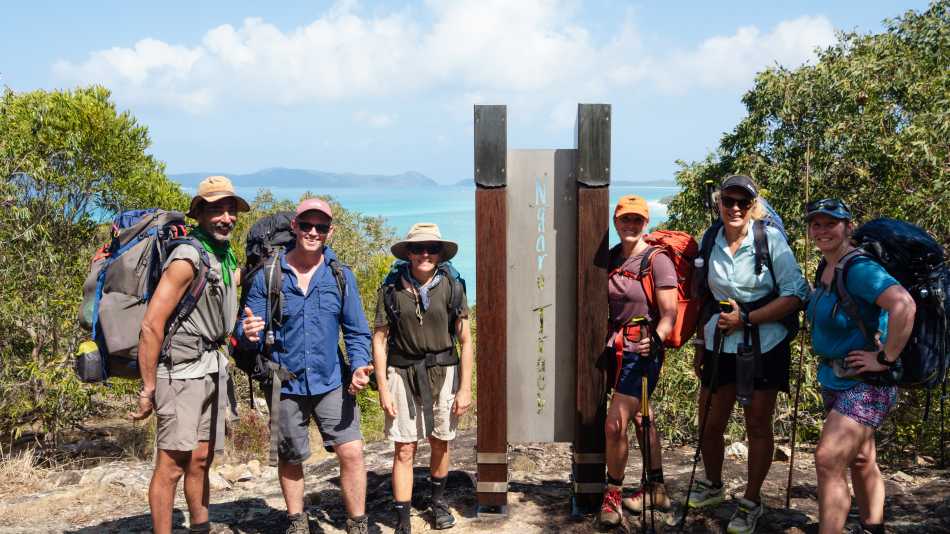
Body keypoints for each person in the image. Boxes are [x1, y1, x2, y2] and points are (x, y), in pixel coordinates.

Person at [238, 198, 374, 534]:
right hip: (285, 383)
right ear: (295, 227)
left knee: (352, 451)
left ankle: (357, 523)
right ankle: (297, 521)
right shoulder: (268, 275)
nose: (314, 232)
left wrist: (360, 365)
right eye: (307, 225)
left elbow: (356, 331)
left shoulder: (340, 276)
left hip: (331, 381)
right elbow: (245, 331)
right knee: (290, 456)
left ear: (330, 231)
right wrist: (247, 332)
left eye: (321, 227)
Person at [687, 175, 809, 534]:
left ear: (753, 205)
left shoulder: (769, 240)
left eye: (743, 202)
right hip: (719, 341)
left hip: (765, 343)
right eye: (729, 201)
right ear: (719, 203)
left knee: (756, 423)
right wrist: (700, 344)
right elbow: (704, 297)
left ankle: (751, 501)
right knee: (710, 421)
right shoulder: (711, 238)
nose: (735, 208)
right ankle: (713, 484)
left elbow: (796, 293)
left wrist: (748, 319)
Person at [130, 176, 249, 534]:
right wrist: (148, 389)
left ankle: (201, 527)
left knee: (200, 459)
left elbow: (226, 289)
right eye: (217, 210)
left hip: (211, 368)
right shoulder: (187, 258)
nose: (226, 217)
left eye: (230, 209)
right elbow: (151, 325)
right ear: (199, 214)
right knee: (170, 466)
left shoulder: (222, 256)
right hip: (180, 373)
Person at [804, 199, 915, 534]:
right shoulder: (827, 266)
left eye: (831, 223)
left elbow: (903, 305)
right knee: (862, 458)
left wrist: (884, 359)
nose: (822, 230)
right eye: (816, 224)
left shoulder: (859, 269)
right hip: (837, 376)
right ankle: (873, 527)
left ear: (848, 227)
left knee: (828, 459)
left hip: (867, 381)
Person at [372, 223, 474, 534]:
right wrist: (382, 389)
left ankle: (438, 504)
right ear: (409, 253)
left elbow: (465, 340)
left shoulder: (453, 287)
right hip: (402, 374)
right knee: (404, 448)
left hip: (444, 371)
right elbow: (379, 339)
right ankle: (403, 520)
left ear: (441, 253)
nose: (425, 254)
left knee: (441, 441)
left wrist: (465, 387)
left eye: (432, 248)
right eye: (418, 248)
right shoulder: (391, 290)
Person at [598, 196, 678, 527]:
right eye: (624, 219)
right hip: (614, 349)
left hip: (641, 352)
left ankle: (613, 496)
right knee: (643, 417)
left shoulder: (657, 261)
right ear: (615, 222)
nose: (630, 225)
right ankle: (656, 489)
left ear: (646, 223)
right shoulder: (611, 257)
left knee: (614, 424)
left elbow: (669, 312)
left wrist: (656, 339)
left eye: (637, 220)